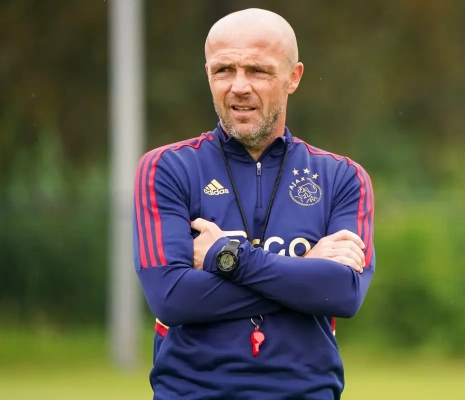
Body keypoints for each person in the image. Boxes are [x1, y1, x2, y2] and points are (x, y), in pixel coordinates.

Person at [133, 8, 376, 400]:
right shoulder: (167, 168)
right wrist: (305, 270)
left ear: (293, 77)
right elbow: (173, 299)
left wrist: (227, 258)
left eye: (258, 71)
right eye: (223, 70)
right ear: (208, 74)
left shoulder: (342, 177)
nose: (239, 86)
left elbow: (343, 294)